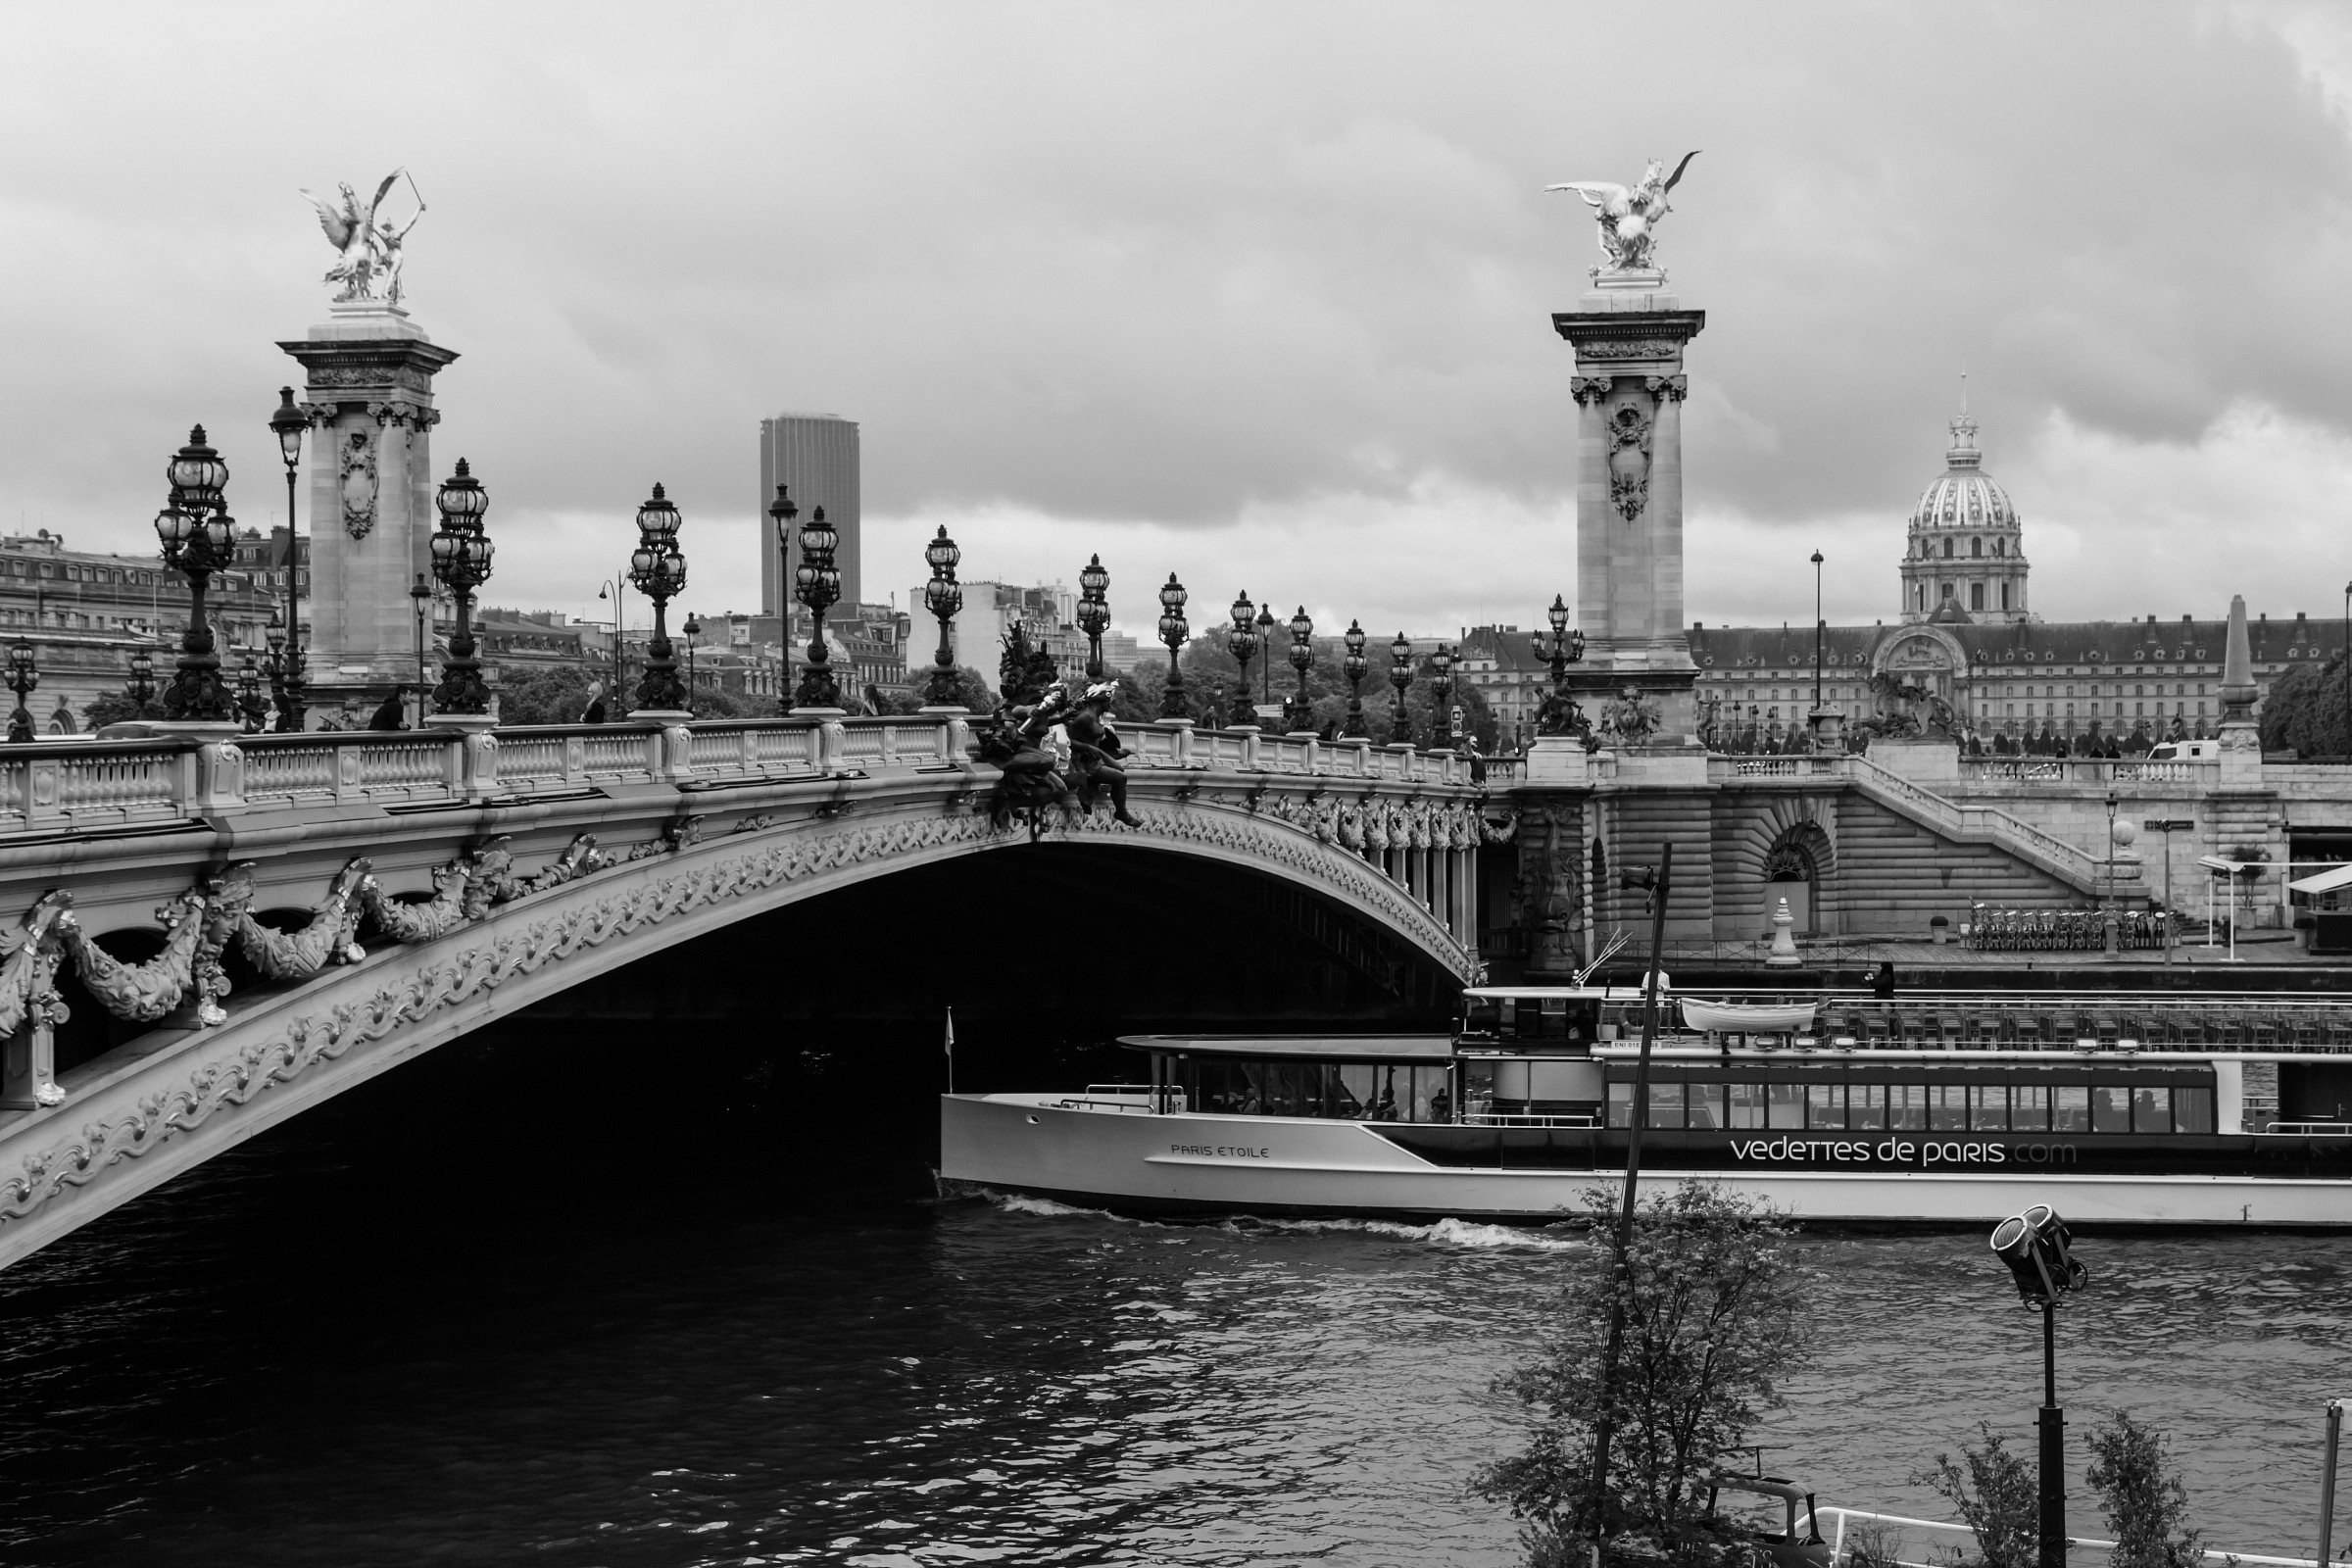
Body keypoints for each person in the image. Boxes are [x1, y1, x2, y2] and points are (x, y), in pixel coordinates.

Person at [1064, 682, 1143, 826]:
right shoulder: (1085, 717)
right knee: (1121, 778)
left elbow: (1096, 743)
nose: (1110, 705)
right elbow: (1066, 740)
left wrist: (1118, 753)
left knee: (1119, 770)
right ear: (1100, 701)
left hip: (1094, 760)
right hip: (1083, 763)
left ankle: (1096, 791)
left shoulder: (1096, 718)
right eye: (1108, 701)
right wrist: (1087, 747)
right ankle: (1121, 812)